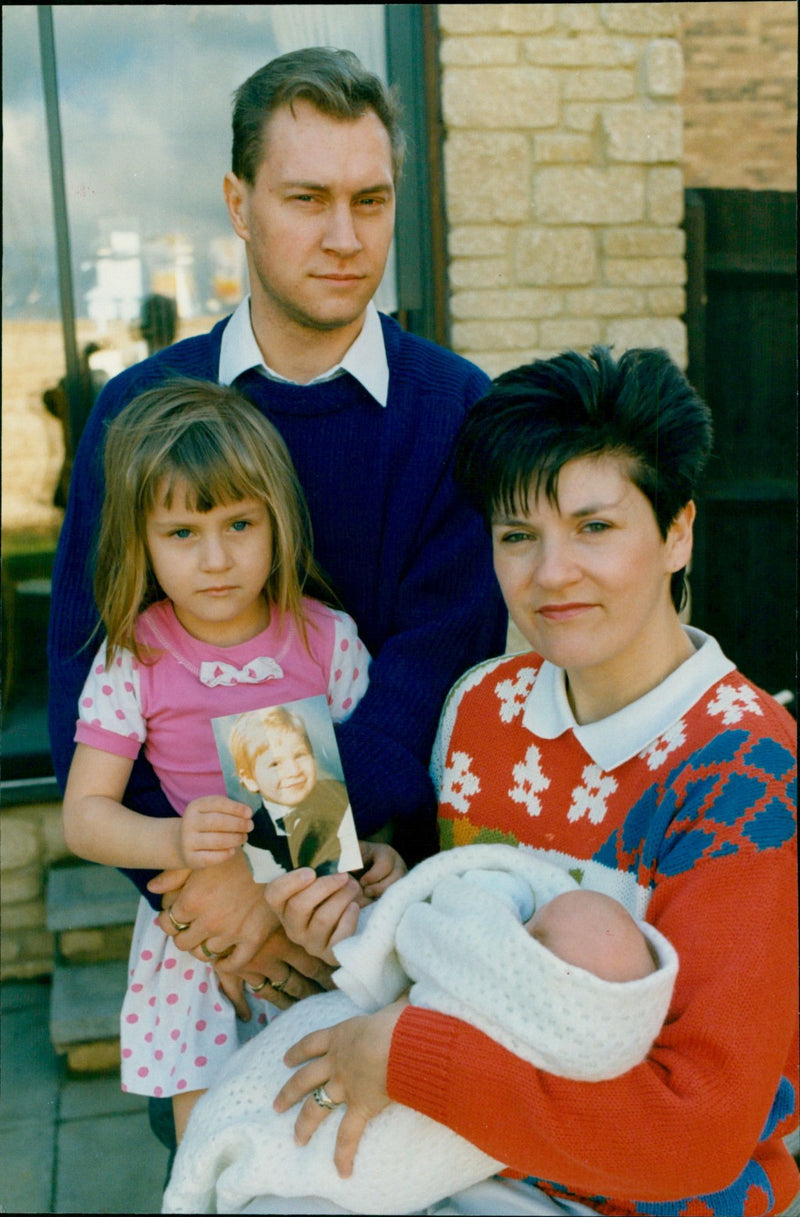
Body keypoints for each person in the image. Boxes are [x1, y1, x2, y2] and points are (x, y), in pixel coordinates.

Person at [258, 346, 798, 1217]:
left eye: (594, 527)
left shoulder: (747, 772)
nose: (551, 573)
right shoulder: (483, 703)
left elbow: (701, 1132)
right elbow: (450, 932)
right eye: (518, 536)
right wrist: (371, 897)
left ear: (678, 531)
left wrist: (406, 1059)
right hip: (449, 1156)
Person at [47, 44, 506, 1017]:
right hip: (197, 930)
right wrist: (211, 901)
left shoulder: (457, 413)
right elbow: (87, 677)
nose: (344, 235)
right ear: (237, 203)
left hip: (380, 905)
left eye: (369, 201)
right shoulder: (141, 411)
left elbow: (424, 680)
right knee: (209, 1163)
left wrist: (277, 878)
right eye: (306, 199)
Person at [60, 379, 402, 1144]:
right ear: (140, 540)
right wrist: (172, 841)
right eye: (182, 533)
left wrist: (379, 853)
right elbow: (84, 816)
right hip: (199, 956)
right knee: (210, 1148)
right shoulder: (138, 656)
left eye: (239, 523)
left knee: (327, 1133)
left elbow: (352, 803)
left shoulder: (326, 641)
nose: (216, 559)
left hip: (323, 926)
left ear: (277, 520)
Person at [161, 841, 678, 1214]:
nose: (514, 925)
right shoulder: (476, 706)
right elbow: (416, 947)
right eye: (528, 921)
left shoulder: (554, 1039)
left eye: (532, 935)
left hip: (397, 1168)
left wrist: (408, 1051)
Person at [228, 705, 359, 876]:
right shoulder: (254, 833)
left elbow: (354, 862)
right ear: (250, 780)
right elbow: (270, 884)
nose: (293, 771)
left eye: (300, 755)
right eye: (275, 764)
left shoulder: (337, 797)